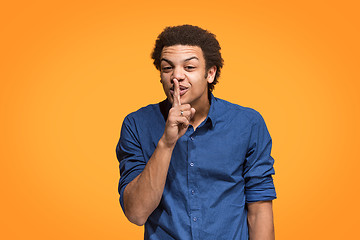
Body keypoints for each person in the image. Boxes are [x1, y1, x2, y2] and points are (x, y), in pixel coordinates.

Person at [116, 24, 276, 240]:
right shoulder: (136, 124)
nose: (177, 76)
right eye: (167, 68)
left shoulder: (248, 124)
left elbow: (259, 211)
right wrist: (166, 143)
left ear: (210, 73)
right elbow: (136, 213)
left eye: (189, 68)